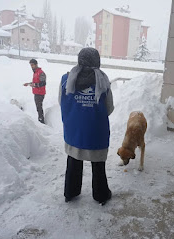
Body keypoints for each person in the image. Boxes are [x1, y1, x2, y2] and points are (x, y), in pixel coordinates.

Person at [59, 47, 114, 205]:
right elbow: (109, 108)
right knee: (98, 166)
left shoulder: (66, 79)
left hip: (74, 132)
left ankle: (70, 192)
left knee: (73, 162)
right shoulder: (103, 80)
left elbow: (61, 102)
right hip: (96, 132)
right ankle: (101, 195)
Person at [24, 59, 46, 124]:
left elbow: (43, 83)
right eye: (31, 65)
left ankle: (41, 121)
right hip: (36, 92)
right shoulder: (35, 73)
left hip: (40, 93)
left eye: (32, 65)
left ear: (36, 64)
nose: (31, 66)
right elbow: (35, 82)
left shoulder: (41, 73)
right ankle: (40, 120)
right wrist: (28, 83)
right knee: (38, 107)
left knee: (39, 108)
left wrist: (34, 85)